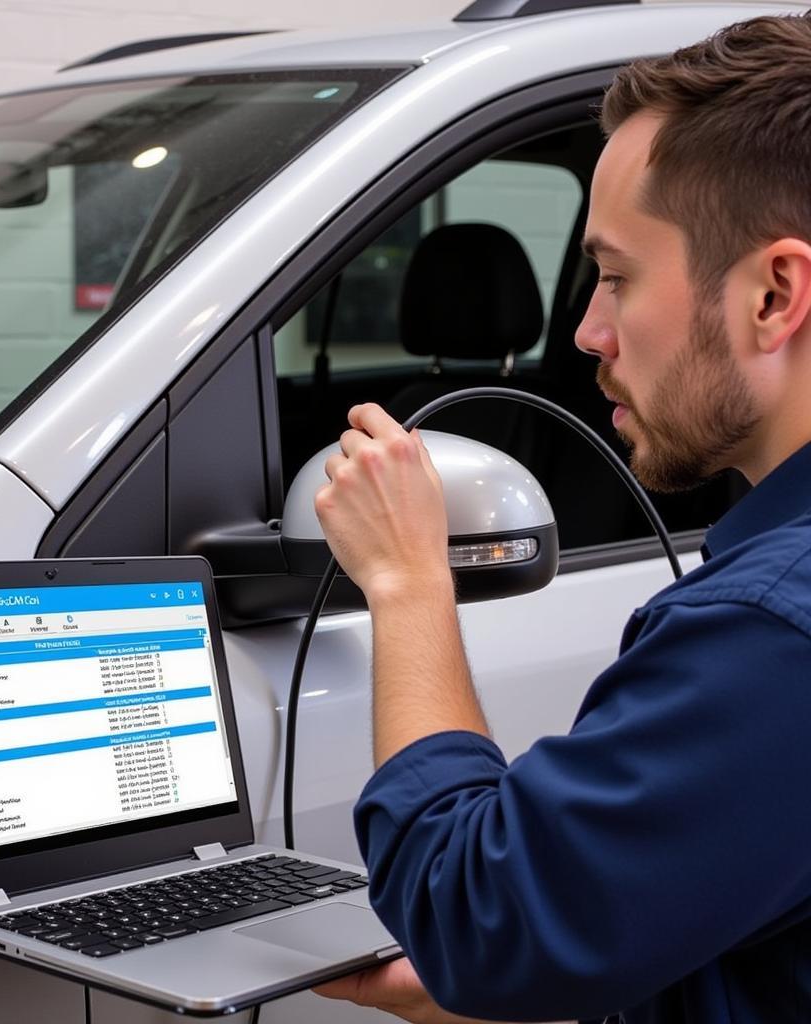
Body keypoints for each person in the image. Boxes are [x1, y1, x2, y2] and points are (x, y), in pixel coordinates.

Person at [311, 13, 811, 1024]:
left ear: (773, 294)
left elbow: (475, 916)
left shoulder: (773, 629)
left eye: (617, 277)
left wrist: (407, 579)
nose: (584, 330)